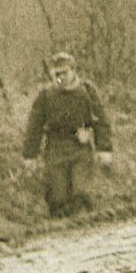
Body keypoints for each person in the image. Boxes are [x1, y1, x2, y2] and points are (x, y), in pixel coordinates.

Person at [22, 52, 112, 217]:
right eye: (57, 74)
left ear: (73, 70)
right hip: (55, 149)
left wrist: (104, 149)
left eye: (64, 73)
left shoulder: (86, 90)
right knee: (58, 198)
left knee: (81, 193)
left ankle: (85, 231)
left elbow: (101, 120)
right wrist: (30, 155)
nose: (60, 77)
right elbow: (34, 126)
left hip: (80, 148)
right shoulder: (46, 95)